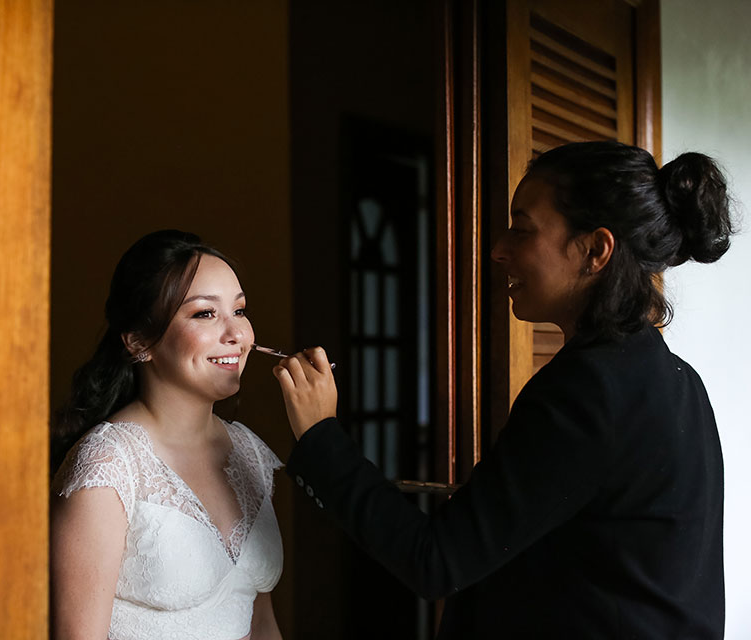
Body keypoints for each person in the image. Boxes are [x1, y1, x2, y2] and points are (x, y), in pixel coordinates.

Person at [273, 141, 733, 638]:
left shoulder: (589, 390)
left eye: (522, 228)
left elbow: (433, 562)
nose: (498, 249)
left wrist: (321, 434)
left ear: (595, 250)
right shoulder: (678, 380)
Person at [51, 230, 284, 640]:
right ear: (140, 341)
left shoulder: (250, 452)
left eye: (241, 311)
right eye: (205, 314)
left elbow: (261, 622)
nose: (237, 335)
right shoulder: (108, 468)